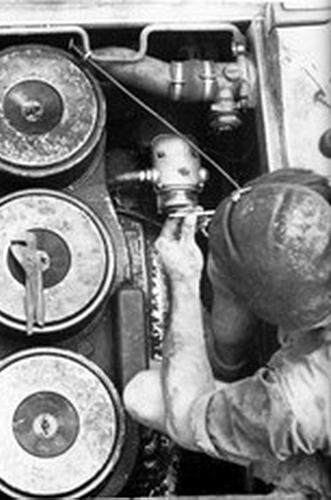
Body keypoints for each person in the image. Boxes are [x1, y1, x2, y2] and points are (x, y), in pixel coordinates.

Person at [124, 169, 331, 498]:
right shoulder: (316, 201)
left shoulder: (298, 400)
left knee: (145, 395)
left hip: (314, 431)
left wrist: (184, 280)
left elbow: (184, 419)